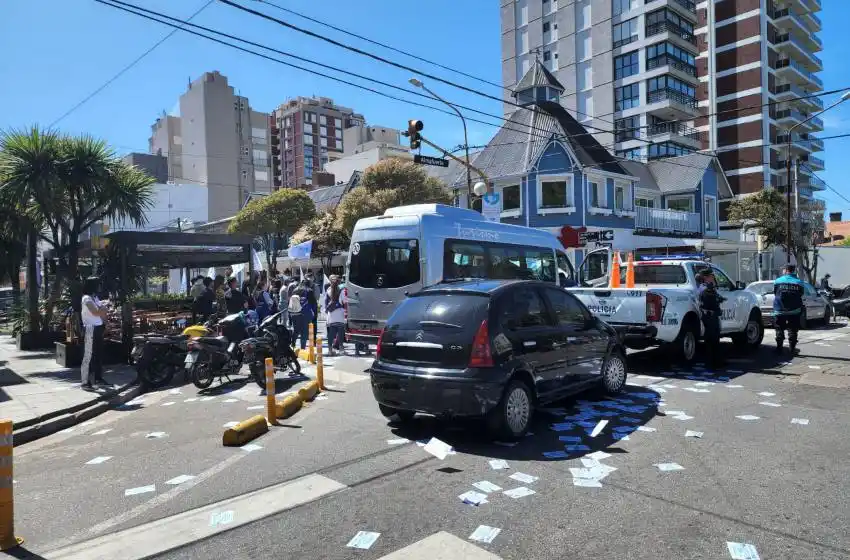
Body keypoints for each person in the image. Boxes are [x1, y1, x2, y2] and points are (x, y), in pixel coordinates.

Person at [80, 276, 109, 391]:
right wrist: (103, 308)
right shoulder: (86, 298)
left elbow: (101, 311)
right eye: (98, 284)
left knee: (98, 355)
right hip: (90, 329)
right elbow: (96, 312)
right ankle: (85, 382)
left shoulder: (94, 297)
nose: (99, 287)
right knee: (88, 356)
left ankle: (98, 378)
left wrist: (105, 322)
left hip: (98, 328)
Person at [774, 264, 805, 355]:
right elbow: (801, 294)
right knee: (793, 329)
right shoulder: (799, 282)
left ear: (786, 270)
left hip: (780, 309)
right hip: (794, 310)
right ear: (793, 270)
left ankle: (779, 348)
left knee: (779, 328)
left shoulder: (778, 281)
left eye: (783, 270)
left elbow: (775, 293)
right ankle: (792, 349)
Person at [696, 269, 724, 367]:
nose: (713, 277)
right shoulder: (705, 289)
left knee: (715, 339)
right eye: (711, 276)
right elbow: (711, 300)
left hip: (712, 315)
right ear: (706, 277)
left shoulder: (708, 287)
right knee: (711, 339)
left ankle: (716, 361)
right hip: (709, 315)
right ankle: (712, 363)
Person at [289, 280, 316, 350]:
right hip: (305, 313)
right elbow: (313, 303)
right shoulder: (309, 290)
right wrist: (314, 314)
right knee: (304, 332)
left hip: (295, 313)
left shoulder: (294, 290)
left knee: (296, 330)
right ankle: (302, 348)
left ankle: (293, 344)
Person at [324, 275, 346, 356]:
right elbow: (344, 301)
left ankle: (330, 350)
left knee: (331, 333)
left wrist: (327, 311)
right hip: (339, 313)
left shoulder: (328, 290)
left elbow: (326, 302)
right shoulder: (342, 290)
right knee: (340, 332)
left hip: (331, 314)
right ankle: (341, 349)